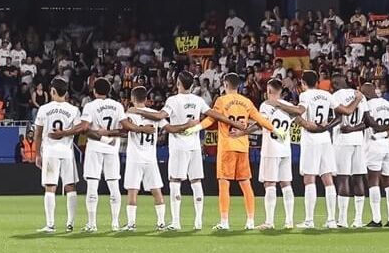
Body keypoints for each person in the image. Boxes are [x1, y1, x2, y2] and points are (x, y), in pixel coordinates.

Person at [208, 73, 275, 231]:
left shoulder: (221, 100)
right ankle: (250, 221)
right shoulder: (246, 101)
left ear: (225, 84)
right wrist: (274, 129)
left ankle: (224, 221)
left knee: (224, 183)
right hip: (243, 146)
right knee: (246, 184)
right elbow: (260, 120)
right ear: (238, 85)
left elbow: (212, 117)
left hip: (227, 146)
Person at [31, 77, 88, 233]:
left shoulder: (43, 109)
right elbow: (79, 129)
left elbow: (38, 133)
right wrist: (66, 133)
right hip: (67, 151)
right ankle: (70, 223)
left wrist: (37, 154)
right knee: (70, 186)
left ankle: (50, 224)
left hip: (50, 152)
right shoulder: (73, 109)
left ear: (53, 91)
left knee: (50, 187)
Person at [160, 72, 212, 231]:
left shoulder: (173, 100)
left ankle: (176, 222)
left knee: (175, 182)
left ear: (178, 83)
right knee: (196, 182)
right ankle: (198, 221)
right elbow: (210, 114)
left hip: (179, 146)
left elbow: (162, 115)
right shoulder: (198, 100)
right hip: (195, 146)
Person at [114, 85, 171, 230]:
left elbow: (123, 130)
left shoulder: (130, 114)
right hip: (151, 158)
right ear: (146, 99)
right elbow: (168, 128)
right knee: (156, 190)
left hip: (134, 158)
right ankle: (161, 222)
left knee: (132, 190)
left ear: (132, 99)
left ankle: (131, 224)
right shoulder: (155, 114)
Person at [77, 78, 126, 233]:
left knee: (92, 186)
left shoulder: (90, 106)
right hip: (112, 148)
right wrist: (109, 136)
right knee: (114, 186)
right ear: (109, 90)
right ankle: (115, 223)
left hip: (95, 148)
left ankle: (92, 224)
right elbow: (124, 130)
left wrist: (102, 136)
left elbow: (84, 129)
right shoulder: (118, 106)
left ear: (94, 91)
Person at [255, 79, 302, 229]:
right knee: (286, 184)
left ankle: (269, 222)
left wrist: (244, 131)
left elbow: (262, 123)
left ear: (269, 90)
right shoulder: (288, 106)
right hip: (285, 149)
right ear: (281, 90)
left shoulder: (265, 105)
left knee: (270, 184)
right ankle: (289, 221)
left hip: (271, 149)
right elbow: (298, 113)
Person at [295, 69, 338, 228]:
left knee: (309, 178)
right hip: (325, 138)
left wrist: (302, 121)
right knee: (328, 179)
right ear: (317, 82)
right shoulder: (327, 95)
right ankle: (332, 220)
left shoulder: (304, 96)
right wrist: (327, 126)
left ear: (303, 82)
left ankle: (309, 220)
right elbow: (340, 113)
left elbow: (300, 112)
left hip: (311, 139)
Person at [360, 77, 389, 228]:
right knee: (388, 181)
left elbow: (364, 123)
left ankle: (376, 219)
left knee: (373, 181)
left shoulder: (367, 106)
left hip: (373, 143)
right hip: (387, 144)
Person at [329, 75, 368, 228]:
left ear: (337, 83)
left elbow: (339, 118)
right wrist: (354, 129)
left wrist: (326, 127)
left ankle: (343, 219)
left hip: (343, 141)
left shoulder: (336, 96)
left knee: (343, 178)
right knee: (358, 178)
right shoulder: (360, 95)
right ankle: (358, 219)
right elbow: (366, 122)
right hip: (359, 141)